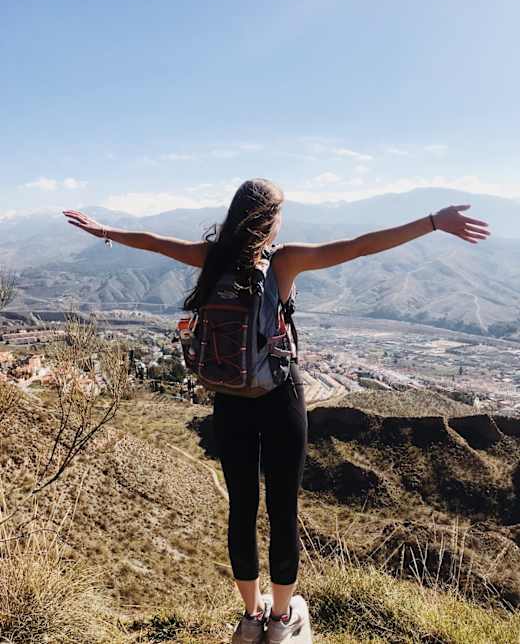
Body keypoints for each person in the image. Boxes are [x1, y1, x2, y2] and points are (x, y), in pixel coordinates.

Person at [63, 178, 490, 643]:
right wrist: (432, 222)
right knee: (283, 509)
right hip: (280, 400)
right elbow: (360, 246)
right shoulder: (284, 262)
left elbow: (152, 243)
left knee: (241, 510)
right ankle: (282, 621)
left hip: (229, 404)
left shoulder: (211, 258)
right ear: (270, 219)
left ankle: (250, 618)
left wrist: (104, 230)